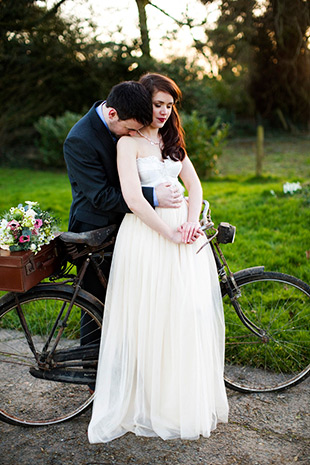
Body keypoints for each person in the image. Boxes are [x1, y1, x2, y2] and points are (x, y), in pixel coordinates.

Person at [88, 73, 229, 443]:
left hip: (181, 234)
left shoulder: (171, 139)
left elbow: (194, 186)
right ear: (142, 104)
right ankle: (145, 401)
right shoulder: (128, 144)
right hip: (147, 236)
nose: (165, 111)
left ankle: (177, 398)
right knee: (150, 314)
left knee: (184, 314)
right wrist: (167, 232)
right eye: (158, 104)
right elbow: (133, 200)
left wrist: (190, 223)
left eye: (170, 105)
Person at [64, 81, 183, 361]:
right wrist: (153, 195)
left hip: (131, 227)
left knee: (129, 300)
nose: (133, 134)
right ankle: (93, 376)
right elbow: (101, 195)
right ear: (113, 114)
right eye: (130, 129)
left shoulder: (127, 113)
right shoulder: (79, 139)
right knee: (97, 303)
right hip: (94, 228)